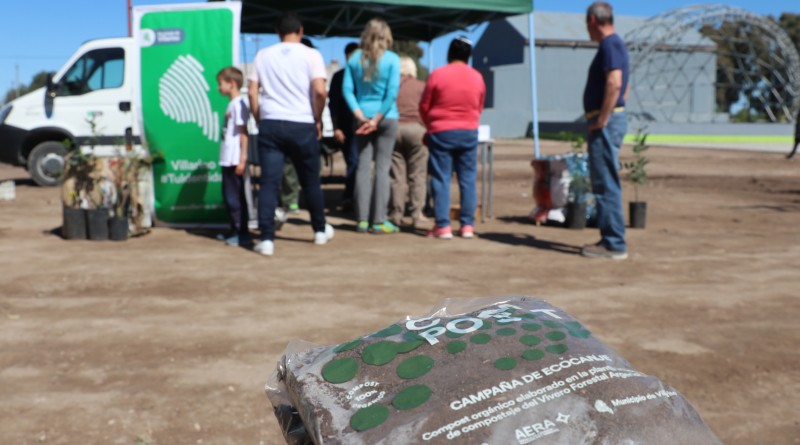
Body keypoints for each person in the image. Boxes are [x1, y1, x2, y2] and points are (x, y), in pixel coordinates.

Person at [247, 12, 334, 256]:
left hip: (271, 123)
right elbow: (320, 91)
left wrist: (259, 117)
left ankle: (266, 238)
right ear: (301, 31)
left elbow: (252, 92)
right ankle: (319, 230)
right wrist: (317, 118)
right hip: (302, 123)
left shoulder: (263, 54)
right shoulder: (311, 54)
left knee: (269, 182)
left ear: (277, 32)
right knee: (310, 180)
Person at [419, 36, 485, 240]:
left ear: (449, 53)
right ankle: (467, 226)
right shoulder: (477, 77)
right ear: (469, 55)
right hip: (468, 131)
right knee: (468, 179)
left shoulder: (438, 74)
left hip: (441, 132)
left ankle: (443, 226)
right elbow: (479, 105)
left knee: (441, 178)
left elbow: (424, 105)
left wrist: (430, 126)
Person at [580, 1, 630, 260]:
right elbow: (626, 86)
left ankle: (614, 243)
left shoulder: (610, 45)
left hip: (606, 123)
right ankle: (610, 238)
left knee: (605, 182)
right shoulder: (615, 45)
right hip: (612, 120)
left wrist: (603, 118)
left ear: (592, 21)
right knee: (605, 180)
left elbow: (615, 83)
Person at [343, 18, 401, 234]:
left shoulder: (354, 58)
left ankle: (361, 220)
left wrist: (361, 116)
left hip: (361, 117)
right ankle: (378, 221)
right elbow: (392, 93)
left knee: (363, 167)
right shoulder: (393, 59)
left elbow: (347, 90)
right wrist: (376, 119)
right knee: (383, 169)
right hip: (386, 117)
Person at [389, 56, 429, 228]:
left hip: (394, 129)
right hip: (416, 130)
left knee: (396, 176)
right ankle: (416, 213)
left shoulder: (391, 85)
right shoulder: (421, 86)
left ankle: (396, 214)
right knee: (417, 175)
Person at [216, 67, 250, 247]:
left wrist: (242, 159)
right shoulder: (232, 104)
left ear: (232, 83)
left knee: (235, 197)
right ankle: (233, 228)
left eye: (220, 83)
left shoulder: (239, 105)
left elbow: (244, 133)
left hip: (234, 159)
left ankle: (241, 232)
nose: (218, 87)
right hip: (227, 158)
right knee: (228, 196)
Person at [328, 42, 360, 209]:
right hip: (346, 128)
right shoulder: (339, 77)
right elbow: (333, 105)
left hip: (362, 127)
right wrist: (336, 128)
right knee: (352, 161)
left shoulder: (365, 76)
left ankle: (353, 197)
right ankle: (352, 197)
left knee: (356, 162)